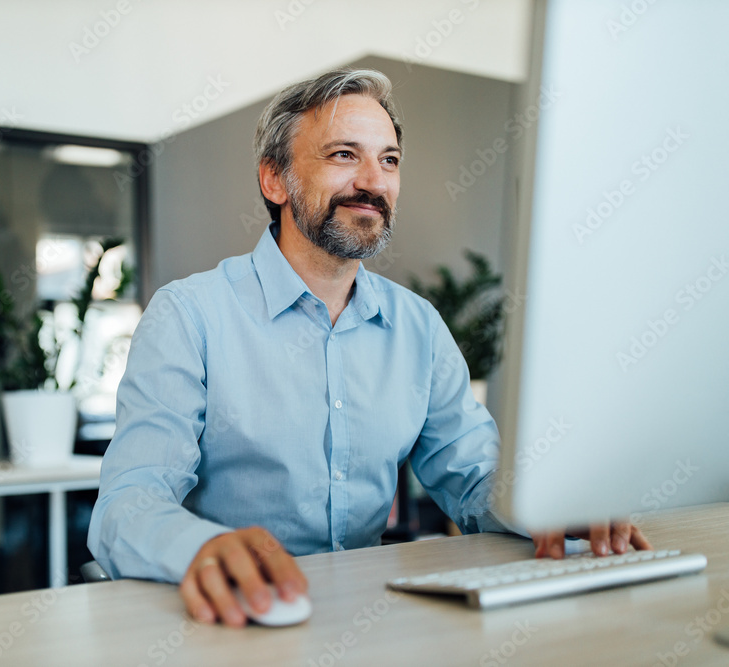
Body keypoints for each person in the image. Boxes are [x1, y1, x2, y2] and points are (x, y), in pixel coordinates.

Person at [87, 67, 650, 627]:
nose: (373, 182)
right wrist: (196, 548)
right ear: (275, 180)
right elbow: (126, 504)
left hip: (368, 621)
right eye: (342, 155)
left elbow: (475, 476)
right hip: (231, 621)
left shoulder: (417, 326)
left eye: (389, 160)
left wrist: (547, 507)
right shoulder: (189, 316)